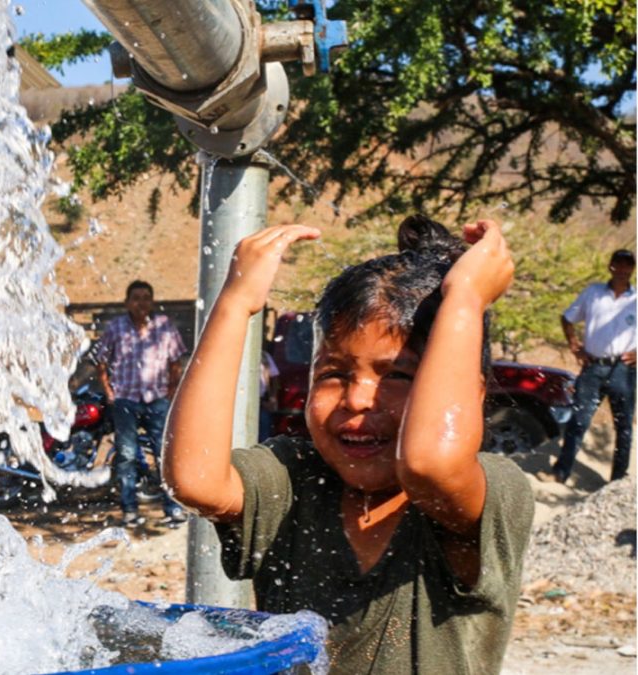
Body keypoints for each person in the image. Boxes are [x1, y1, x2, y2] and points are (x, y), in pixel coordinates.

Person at [163, 215, 533, 673]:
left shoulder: (490, 493)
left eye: (397, 376)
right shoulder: (297, 478)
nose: (357, 399)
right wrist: (235, 305)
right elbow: (193, 479)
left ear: (470, 394)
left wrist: (466, 299)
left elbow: (429, 464)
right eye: (334, 373)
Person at [95, 280, 189, 527]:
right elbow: (101, 360)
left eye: (146, 297)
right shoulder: (116, 327)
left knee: (164, 454)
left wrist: (171, 392)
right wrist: (108, 391)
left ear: (152, 301)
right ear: (127, 302)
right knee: (126, 455)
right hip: (125, 399)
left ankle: (173, 509)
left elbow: (175, 362)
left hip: (157, 400)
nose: (141, 303)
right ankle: (130, 510)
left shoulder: (164, 326)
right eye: (136, 298)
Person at [545, 249, 636, 483]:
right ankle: (561, 472)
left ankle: (618, 480)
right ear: (611, 266)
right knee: (579, 420)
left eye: (628, 265)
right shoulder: (594, 293)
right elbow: (568, 318)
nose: (622, 269)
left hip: (623, 370)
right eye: (618, 264)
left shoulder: (636, 299)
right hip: (593, 367)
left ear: (632, 269)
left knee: (624, 426)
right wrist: (574, 344)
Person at [259, 349, 280, 441]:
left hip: (263, 399)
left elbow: (274, 376)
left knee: (265, 428)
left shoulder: (264, 356)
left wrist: (273, 397)